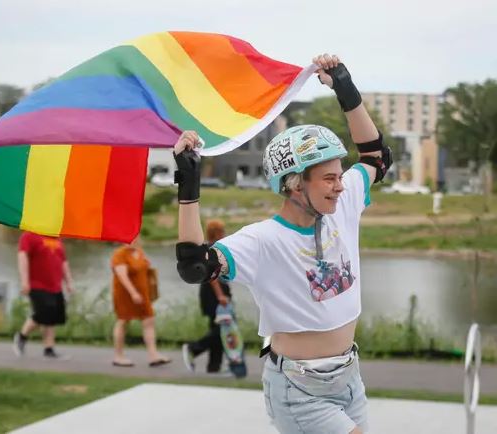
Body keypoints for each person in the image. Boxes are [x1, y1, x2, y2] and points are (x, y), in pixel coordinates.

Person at [172, 54, 392, 433]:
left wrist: (346, 88)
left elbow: (376, 157)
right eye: (327, 178)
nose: (340, 185)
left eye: (340, 176)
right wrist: (188, 187)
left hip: (348, 378)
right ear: (293, 185)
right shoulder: (263, 240)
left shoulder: (343, 204)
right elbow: (195, 265)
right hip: (299, 388)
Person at [110, 235, 171, 367]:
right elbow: (122, 276)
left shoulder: (139, 252)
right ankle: (118, 356)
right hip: (125, 294)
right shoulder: (120, 254)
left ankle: (153, 355)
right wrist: (133, 292)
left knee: (149, 319)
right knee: (123, 321)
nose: (136, 239)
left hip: (143, 294)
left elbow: (146, 271)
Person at [182, 219, 232, 373]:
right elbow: (213, 277)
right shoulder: (213, 250)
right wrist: (220, 296)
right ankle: (194, 348)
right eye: (222, 231)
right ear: (217, 233)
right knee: (221, 329)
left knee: (217, 328)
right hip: (214, 295)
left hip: (214, 294)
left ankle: (213, 366)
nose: (224, 233)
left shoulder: (208, 249)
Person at [13, 232, 74, 359]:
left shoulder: (56, 238)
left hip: (55, 285)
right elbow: (22, 256)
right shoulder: (29, 236)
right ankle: (21, 336)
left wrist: (69, 282)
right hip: (37, 284)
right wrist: (24, 281)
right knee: (44, 311)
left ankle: (49, 349)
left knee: (52, 317)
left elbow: (63, 262)